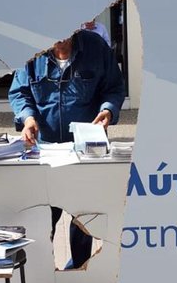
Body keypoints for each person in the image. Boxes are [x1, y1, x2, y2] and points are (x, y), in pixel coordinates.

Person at [8, 29, 125, 268]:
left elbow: (114, 88)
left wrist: (108, 110)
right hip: (45, 151)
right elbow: (20, 92)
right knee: (44, 216)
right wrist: (28, 118)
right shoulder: (30, 52)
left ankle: (80, 271)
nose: (59, 41)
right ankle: (44, 272)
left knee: (83, 217)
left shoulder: (95, 47)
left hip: (85, 152)